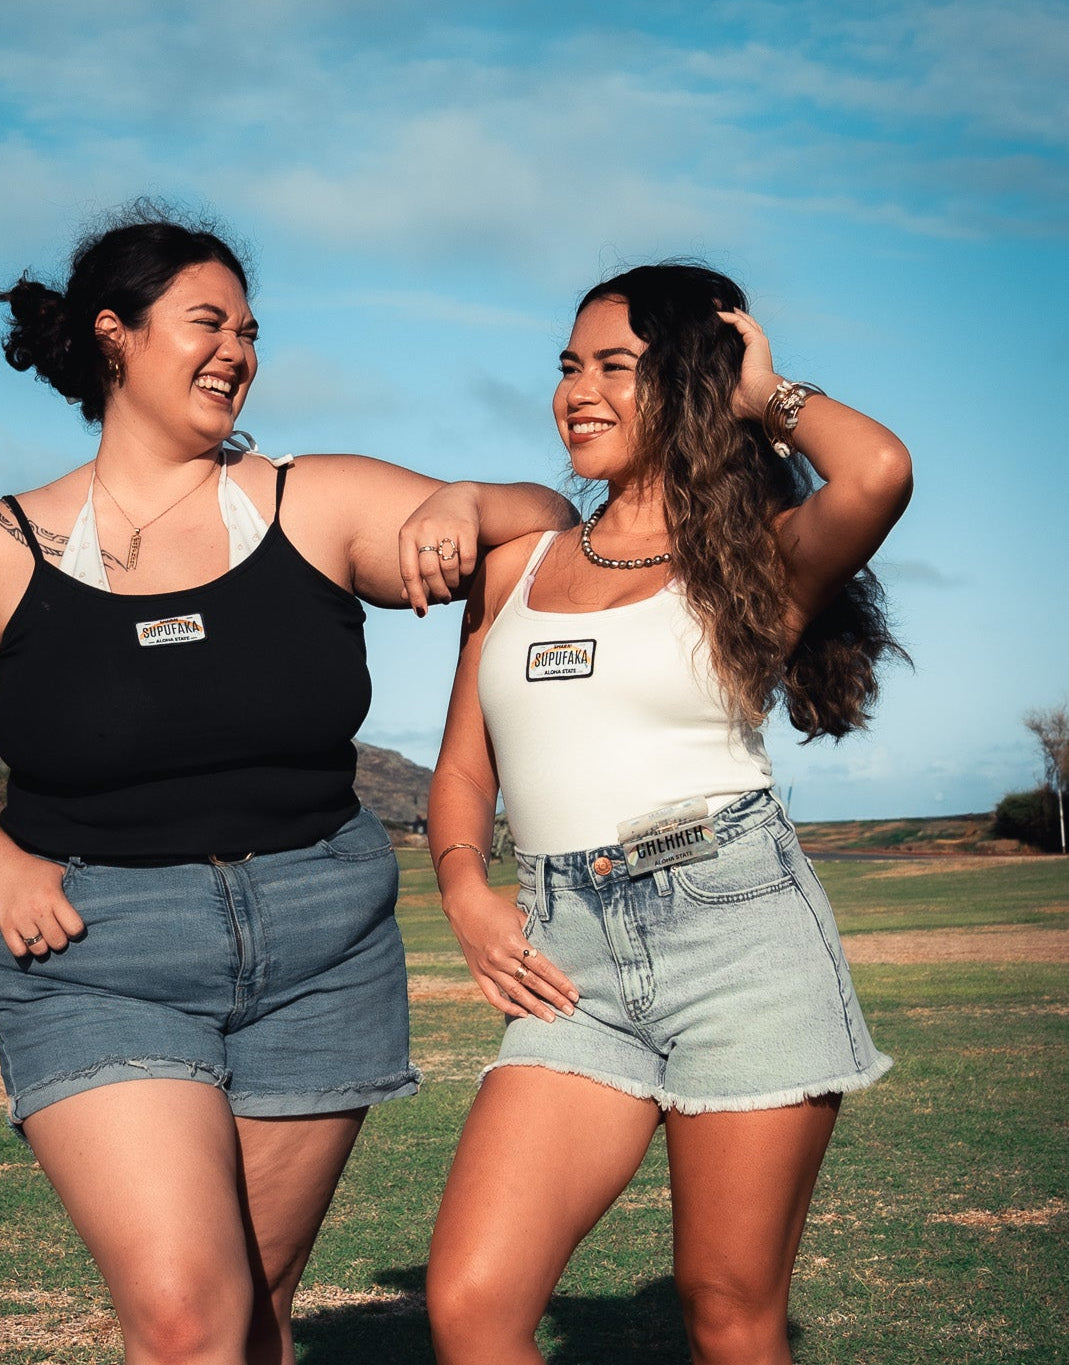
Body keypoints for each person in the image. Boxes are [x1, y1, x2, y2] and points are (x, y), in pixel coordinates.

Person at [0, 206, 574, 1365]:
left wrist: (468, 497)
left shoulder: (317, 500)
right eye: (208, 323)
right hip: (97, 949)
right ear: (116, 336)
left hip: (322, 942)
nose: (238, 352)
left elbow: (552, 524)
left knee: (253, 1312)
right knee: (187, 1320)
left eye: (251, 331)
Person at [425, 263, 912, 1365]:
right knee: (471, 1302)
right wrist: (463, 884)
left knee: (730, 1314)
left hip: (738, 935)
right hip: (567, 964)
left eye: (614, 367)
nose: (576, 392)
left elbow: (878, 470)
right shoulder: (517, 563)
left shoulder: (755, 563)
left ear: (694, 385)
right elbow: (463, 770)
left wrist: (766, 393)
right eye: (566, 366)